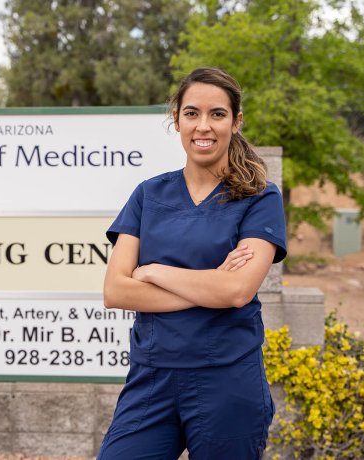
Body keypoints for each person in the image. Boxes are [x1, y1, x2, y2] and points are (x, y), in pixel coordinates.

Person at [97, 67, 286, 460]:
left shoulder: (259, 198)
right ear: (177, 120)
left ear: (236, 122)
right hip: (152, 378)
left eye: (217, 114)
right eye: (192, 113)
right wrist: (209, 285)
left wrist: (154, 273)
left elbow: (236, 291)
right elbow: (115, 291)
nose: (204, 125)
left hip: (227, 380)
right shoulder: (148, 195)